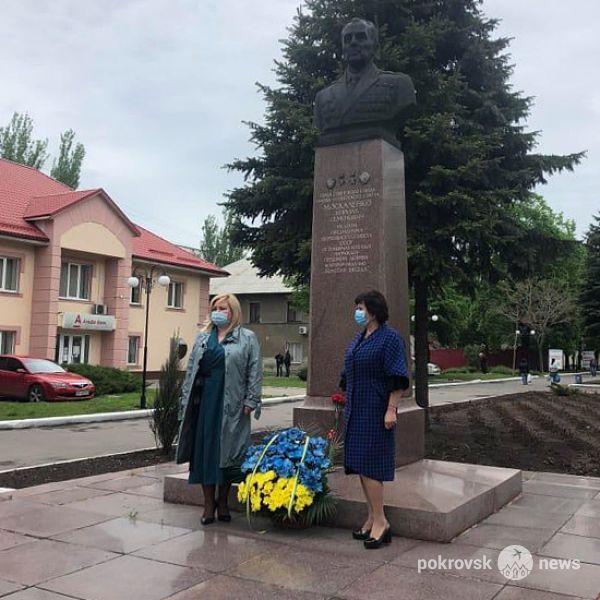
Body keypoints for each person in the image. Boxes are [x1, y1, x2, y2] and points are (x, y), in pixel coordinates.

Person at [176, 293, 262, 525]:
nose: (218, 312)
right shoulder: (203, 337)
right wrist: (185, 401)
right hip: (206, 401)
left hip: (233, 403)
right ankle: (208, 505)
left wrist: (251, 400)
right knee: (206, 452)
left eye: (223, 308)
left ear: (233, 312)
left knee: (228, 453)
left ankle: (223, 502)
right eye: (215, 307)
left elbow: (254, 370)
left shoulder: (247, 338)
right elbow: (192, 370)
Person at [340, 290, 409, 549]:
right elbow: (349, 370)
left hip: (376, 409)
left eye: (361, 307)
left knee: (371, 466)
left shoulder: (389, 338)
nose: (357, 311)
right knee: (360, 464)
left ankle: (382, 521)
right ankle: (371, 517)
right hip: (356, 409)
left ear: (374, 310)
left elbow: (398, 378)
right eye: (356, 306)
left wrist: (391, 409)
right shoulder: (360, 338)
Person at [313, 18, 415, 148]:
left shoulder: (399, 85)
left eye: (361, 37)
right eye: (348, 39)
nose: (353, 42)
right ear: (343, 48)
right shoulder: (323, 97)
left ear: (375, 46)